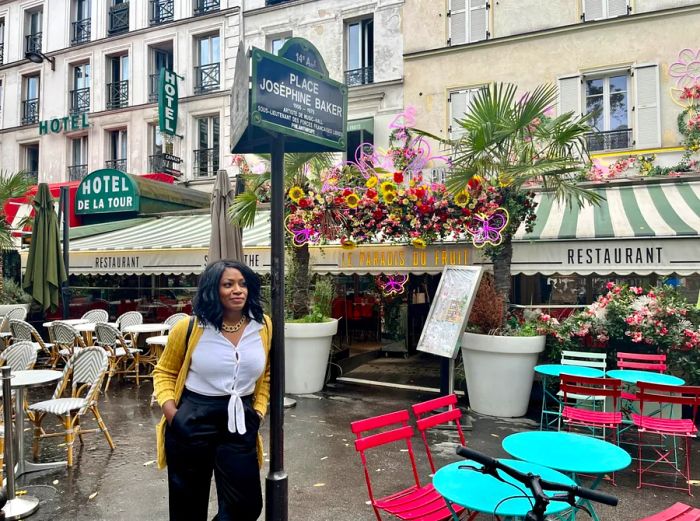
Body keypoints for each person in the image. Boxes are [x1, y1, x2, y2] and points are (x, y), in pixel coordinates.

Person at [153, 260, 271, 521]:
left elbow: (268, 373)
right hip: (194, 415)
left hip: (240, 419)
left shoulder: (262, 326)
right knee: (188, 508)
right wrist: (173, 414)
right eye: (228, 284)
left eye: (242, 284)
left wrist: (259, 411)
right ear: (212, 290)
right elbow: (164, 372)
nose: (237, 290)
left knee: (247, 505)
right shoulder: (189, 328)